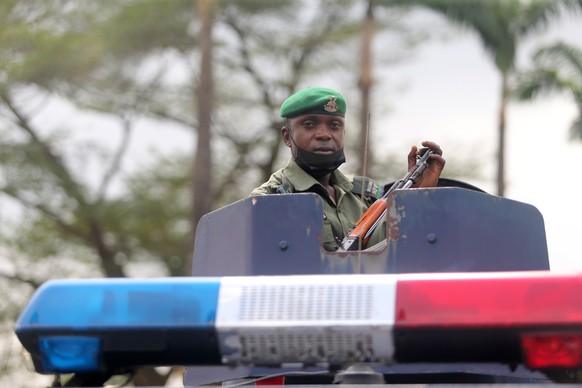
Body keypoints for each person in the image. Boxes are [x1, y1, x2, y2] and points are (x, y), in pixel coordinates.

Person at [251, 86, 446, 251]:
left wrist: (417, 194)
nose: (324, 134)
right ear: (287, 136)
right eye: (309, 125)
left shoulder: (365, 194)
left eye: (334, 125)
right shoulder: (271, 198)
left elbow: (395, 251)